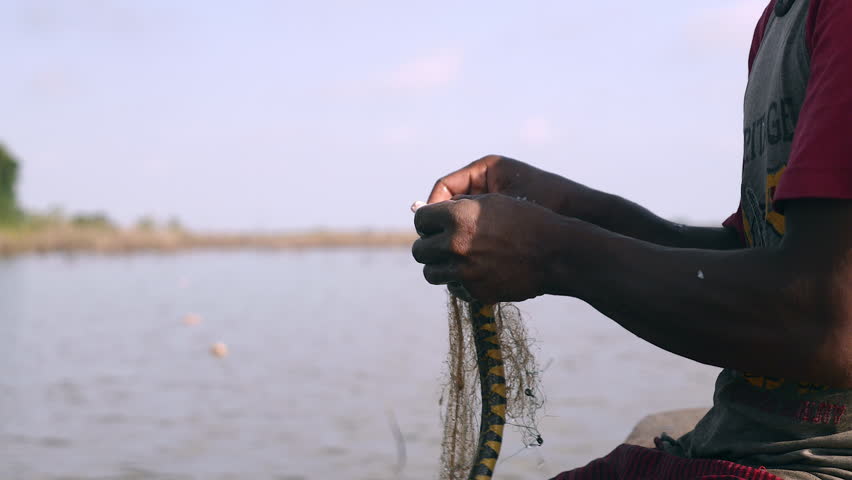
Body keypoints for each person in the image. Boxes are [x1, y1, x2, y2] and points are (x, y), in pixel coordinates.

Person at [411, 0, 851, 478]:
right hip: (742, 448)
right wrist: (565, 208)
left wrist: (551, 252)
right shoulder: (783, 19)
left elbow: (830, 322)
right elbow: (755, 262)